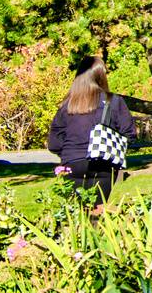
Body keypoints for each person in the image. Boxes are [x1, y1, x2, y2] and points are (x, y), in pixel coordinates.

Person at [47, 56, 136, 201]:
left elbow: (54, 144)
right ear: (101, 76)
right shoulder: (113, 101)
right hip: (103, 163)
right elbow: (129, 134)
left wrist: (70, 152)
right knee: (98, 213)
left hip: (72, 163)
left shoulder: (67, 105)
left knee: (76, 214)